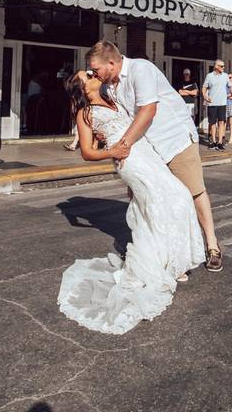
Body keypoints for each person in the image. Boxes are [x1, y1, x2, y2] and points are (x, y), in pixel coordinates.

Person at [58, 71, 205, 334]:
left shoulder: (112, 99)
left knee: (174, 199)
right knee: (162, 202)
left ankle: (169, 260)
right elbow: (87, 152)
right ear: (83, 87)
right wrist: (111, 151)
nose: (93, 75)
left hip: (146, 152)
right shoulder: (85, 113)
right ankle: (165, 266)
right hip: (130, 161)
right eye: (88, 75)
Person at [86, 41, 223, 273]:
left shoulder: (141, 69)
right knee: (151, 197)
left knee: (194, 190)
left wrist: (124, 145)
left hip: (174, 140)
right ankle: (163, 249)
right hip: (148, 148)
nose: (94, 74)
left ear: (111, 63)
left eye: (95, 69)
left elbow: (148, 111)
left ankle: (212, 245)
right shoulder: (109, 88)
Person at [202, 59, 229, 150]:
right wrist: (205, 97)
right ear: (216, 66)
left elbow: (231, 86)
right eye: (221, 66)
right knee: (212, 123)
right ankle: (213, 141)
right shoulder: (209, 76)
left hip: (222, 103)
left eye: (224, 66)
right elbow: (204, 88)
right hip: (212, 103)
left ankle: (220, 142)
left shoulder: (225, 76)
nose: (223, 67)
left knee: (221, 122)